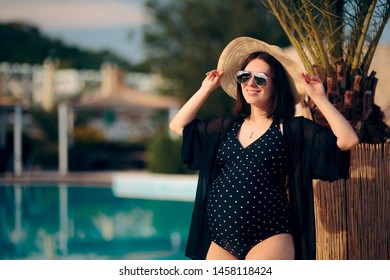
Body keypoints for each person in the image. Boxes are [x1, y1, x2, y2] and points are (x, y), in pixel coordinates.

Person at [169, 37, 359, 260]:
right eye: (244, 76)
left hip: (269, 237)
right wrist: (206, 89)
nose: (250, 83)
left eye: (260, 78)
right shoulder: (225, 127)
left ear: (276, 85)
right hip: (220, 240)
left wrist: (320, 99)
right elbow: (178, 125)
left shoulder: (290, 129)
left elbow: (348, 140)